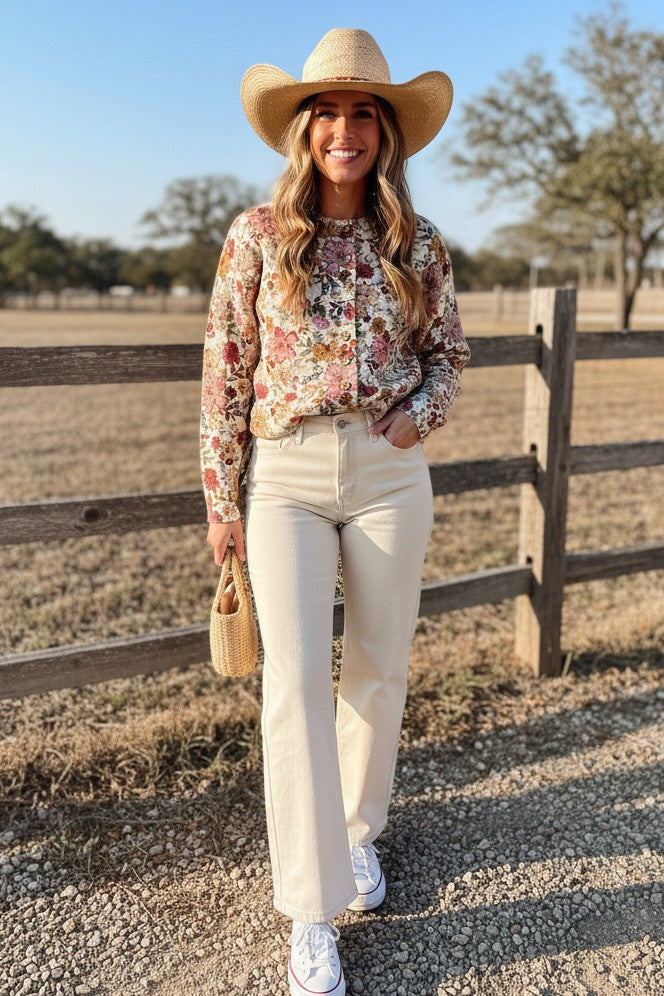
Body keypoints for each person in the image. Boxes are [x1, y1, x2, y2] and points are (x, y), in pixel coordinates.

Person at [199, 27, 470, 996]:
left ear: (384, 134)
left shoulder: (419, 242)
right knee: (294, 684)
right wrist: (219, 501)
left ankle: (357, 838)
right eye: (329, 112)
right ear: (303, 130)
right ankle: (308, 913)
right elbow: (224, 374)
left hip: (390, 473)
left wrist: (417, 418)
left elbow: (449, 356)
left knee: (380, 665)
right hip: (286, 476)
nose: (346, 129)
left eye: (364, 112)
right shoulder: (257, 237)